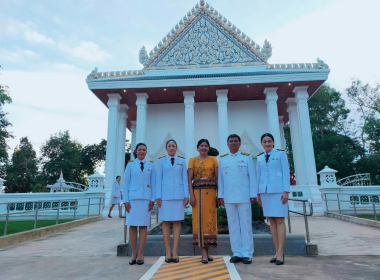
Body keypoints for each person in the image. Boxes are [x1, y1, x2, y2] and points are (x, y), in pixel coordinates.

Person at [218, 134, 257, 264]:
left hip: (244, 195)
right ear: (227, 144)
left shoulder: (246, 158)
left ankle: (247, 253)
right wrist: (221, 196)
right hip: (229, 196)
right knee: (233, 225)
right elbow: (221, 180)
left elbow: (252, 176)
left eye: (236, 141)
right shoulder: (222, 159)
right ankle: (237, 252)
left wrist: (253, 193)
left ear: (239, 144)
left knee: (245, 225)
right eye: (231, 141)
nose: (233, 143)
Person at [256, 133, 290, 266]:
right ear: (262, 143)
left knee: (280, 220)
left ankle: (281, 251)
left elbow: (286, 172)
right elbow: (259, 177)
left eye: (269, 141)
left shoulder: (280, 154)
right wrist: (258, 193)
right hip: (265, 192)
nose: (267, 143)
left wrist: (286, 191)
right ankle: (276, 251)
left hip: (278, 191)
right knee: (271, 221)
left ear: (273, 142)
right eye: (264, 141)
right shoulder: (259, 157)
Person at [156, 139, 189, 263]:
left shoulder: (182, 161)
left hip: (179, 195)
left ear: (176, 148)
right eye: (169, 146)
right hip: (165, 196)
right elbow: (158, 179)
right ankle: (168, 251)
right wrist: (157, 196)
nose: (171, 148)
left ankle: (175, 251)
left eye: (173, 146)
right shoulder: (161, 162)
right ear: (166, 148)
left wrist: (186, 195)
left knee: (177, 222)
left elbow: (185, 179)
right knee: (165, 222)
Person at [123, 143, 155, 265]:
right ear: (136, 151)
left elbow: (154, 183)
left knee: (143, 225)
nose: (142, 152)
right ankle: (134, 253)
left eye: (144, 150)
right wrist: (125, 200)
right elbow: (126, 183)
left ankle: (141, 253)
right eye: (140, 150)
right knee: (132, 225)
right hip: (132, 199)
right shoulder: (130, 165)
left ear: (146, 152)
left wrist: (152, 199)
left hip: (146, 199)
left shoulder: (151, 165)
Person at [188, 139, 218, 264]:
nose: (204, 148)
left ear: (208, 148)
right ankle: (203, 253)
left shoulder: (213, 160)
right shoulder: (192, 160)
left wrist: (218, 195)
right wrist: (191, 195)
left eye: (206, 146)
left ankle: (208, 251)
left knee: (209, 223)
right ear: (198, 147)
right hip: (197, 194)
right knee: (199, 222)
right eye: (201, 146)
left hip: (210, 195)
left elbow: (217, 179)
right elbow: (189, 180)